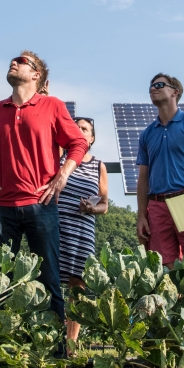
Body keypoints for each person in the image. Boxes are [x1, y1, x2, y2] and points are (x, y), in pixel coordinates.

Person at [0, 50, 89, 330]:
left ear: (36, 75)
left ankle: (54, 350)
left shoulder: (53, 106)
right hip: (2, 208)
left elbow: (77, 143)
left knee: (49, 278)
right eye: (13, 60)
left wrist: (62, 176)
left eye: (22, 61)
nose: (14, 62)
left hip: (41, 206)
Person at [135, 73, 184, 267]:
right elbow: (143, 180)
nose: (153, 89)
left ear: (175, 92)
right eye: (151, 87)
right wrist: (141, 216)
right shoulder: (147, 134)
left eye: (160, 85)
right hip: (157, 206)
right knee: (163, 269)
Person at [55, 116, 109, 345]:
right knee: (53, 281)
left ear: (92, 137)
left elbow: (104, 204)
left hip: (82, 231)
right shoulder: (58, 158)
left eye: (85, 128)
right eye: (76, 127)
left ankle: (71, 344)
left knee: (77, 287)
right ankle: (52, 340)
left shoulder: (98, 165)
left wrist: (92, 208)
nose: (80, 130)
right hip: (57, 227)